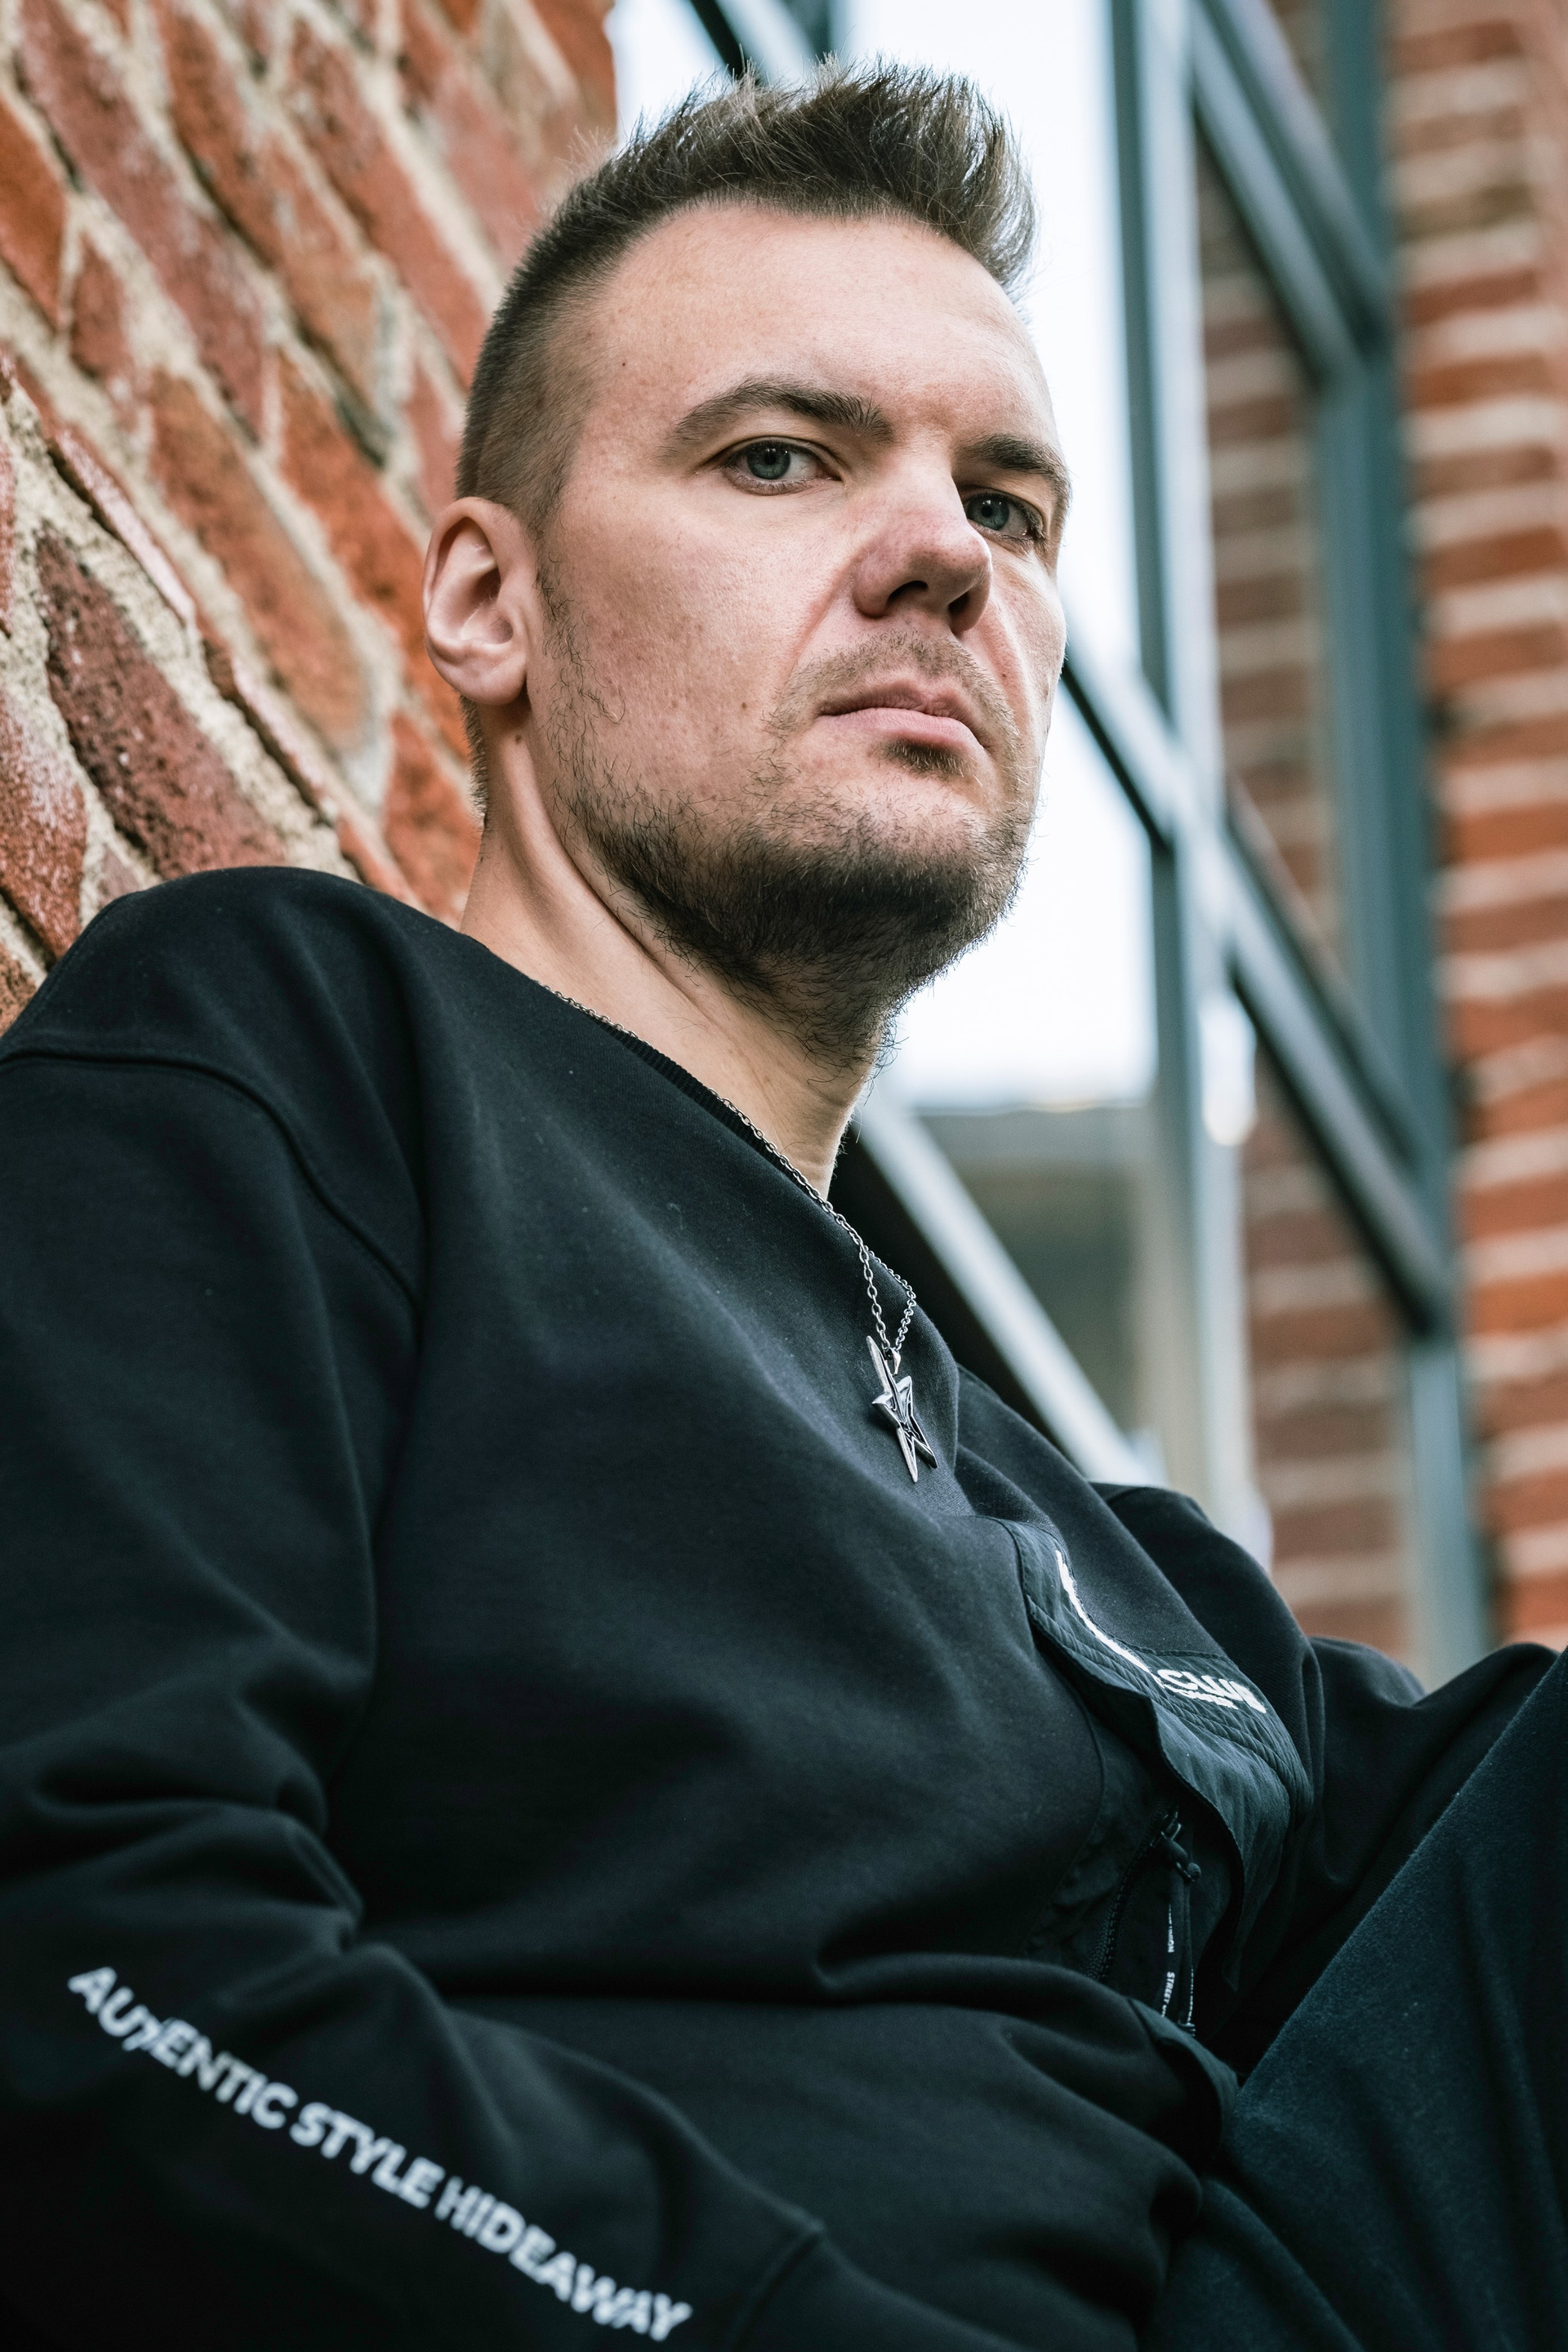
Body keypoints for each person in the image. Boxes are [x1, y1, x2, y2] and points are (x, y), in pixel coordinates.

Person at [0, 65, 1561, 2352]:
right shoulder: (302, 1053)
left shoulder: (1125, 1581)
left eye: (1009, 505)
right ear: (489, 601)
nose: (949, 556)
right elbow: (85, 1949)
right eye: (781, 458)